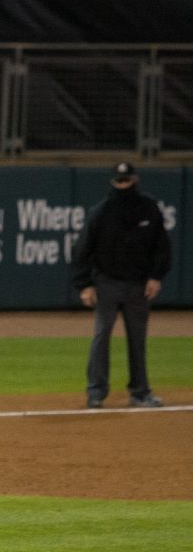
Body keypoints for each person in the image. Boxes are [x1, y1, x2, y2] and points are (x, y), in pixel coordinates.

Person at [72, 162, 171, 408]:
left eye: (126, 181)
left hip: (138, 285)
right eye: (119, 181)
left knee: (137, 339)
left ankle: (140, 392)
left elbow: (162, 247)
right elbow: (82, 249)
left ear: (134, 180)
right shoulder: (101, 211)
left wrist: (156, 277)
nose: (123, 185)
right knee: (101, 336)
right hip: (107, 283)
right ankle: (96, 392)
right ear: (112, 182)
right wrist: (85, 284)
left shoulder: (149, 208)